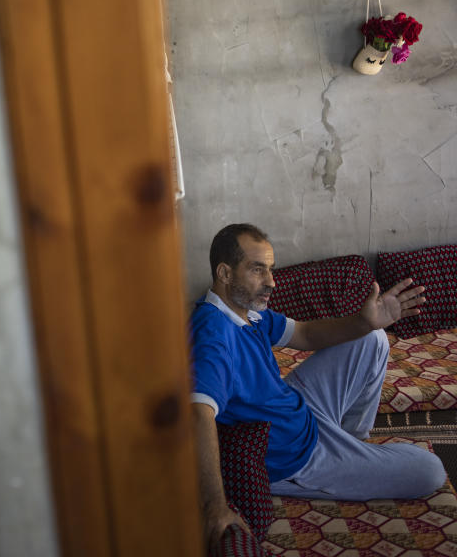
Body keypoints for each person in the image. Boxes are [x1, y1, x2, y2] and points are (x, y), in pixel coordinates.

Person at [191, 223, 446, 549]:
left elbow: (306, 334)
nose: (271, 282)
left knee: (372, 338)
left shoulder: (246, 313)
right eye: (258, 270)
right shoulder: (213, 333)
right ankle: (341, 462)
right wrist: (215, 507)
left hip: (300, 406)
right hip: (293, 454)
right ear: (225, 273)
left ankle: (352, 442)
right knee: (430, 470)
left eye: (271, 269)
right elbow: (199, 412)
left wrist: (365, 321)